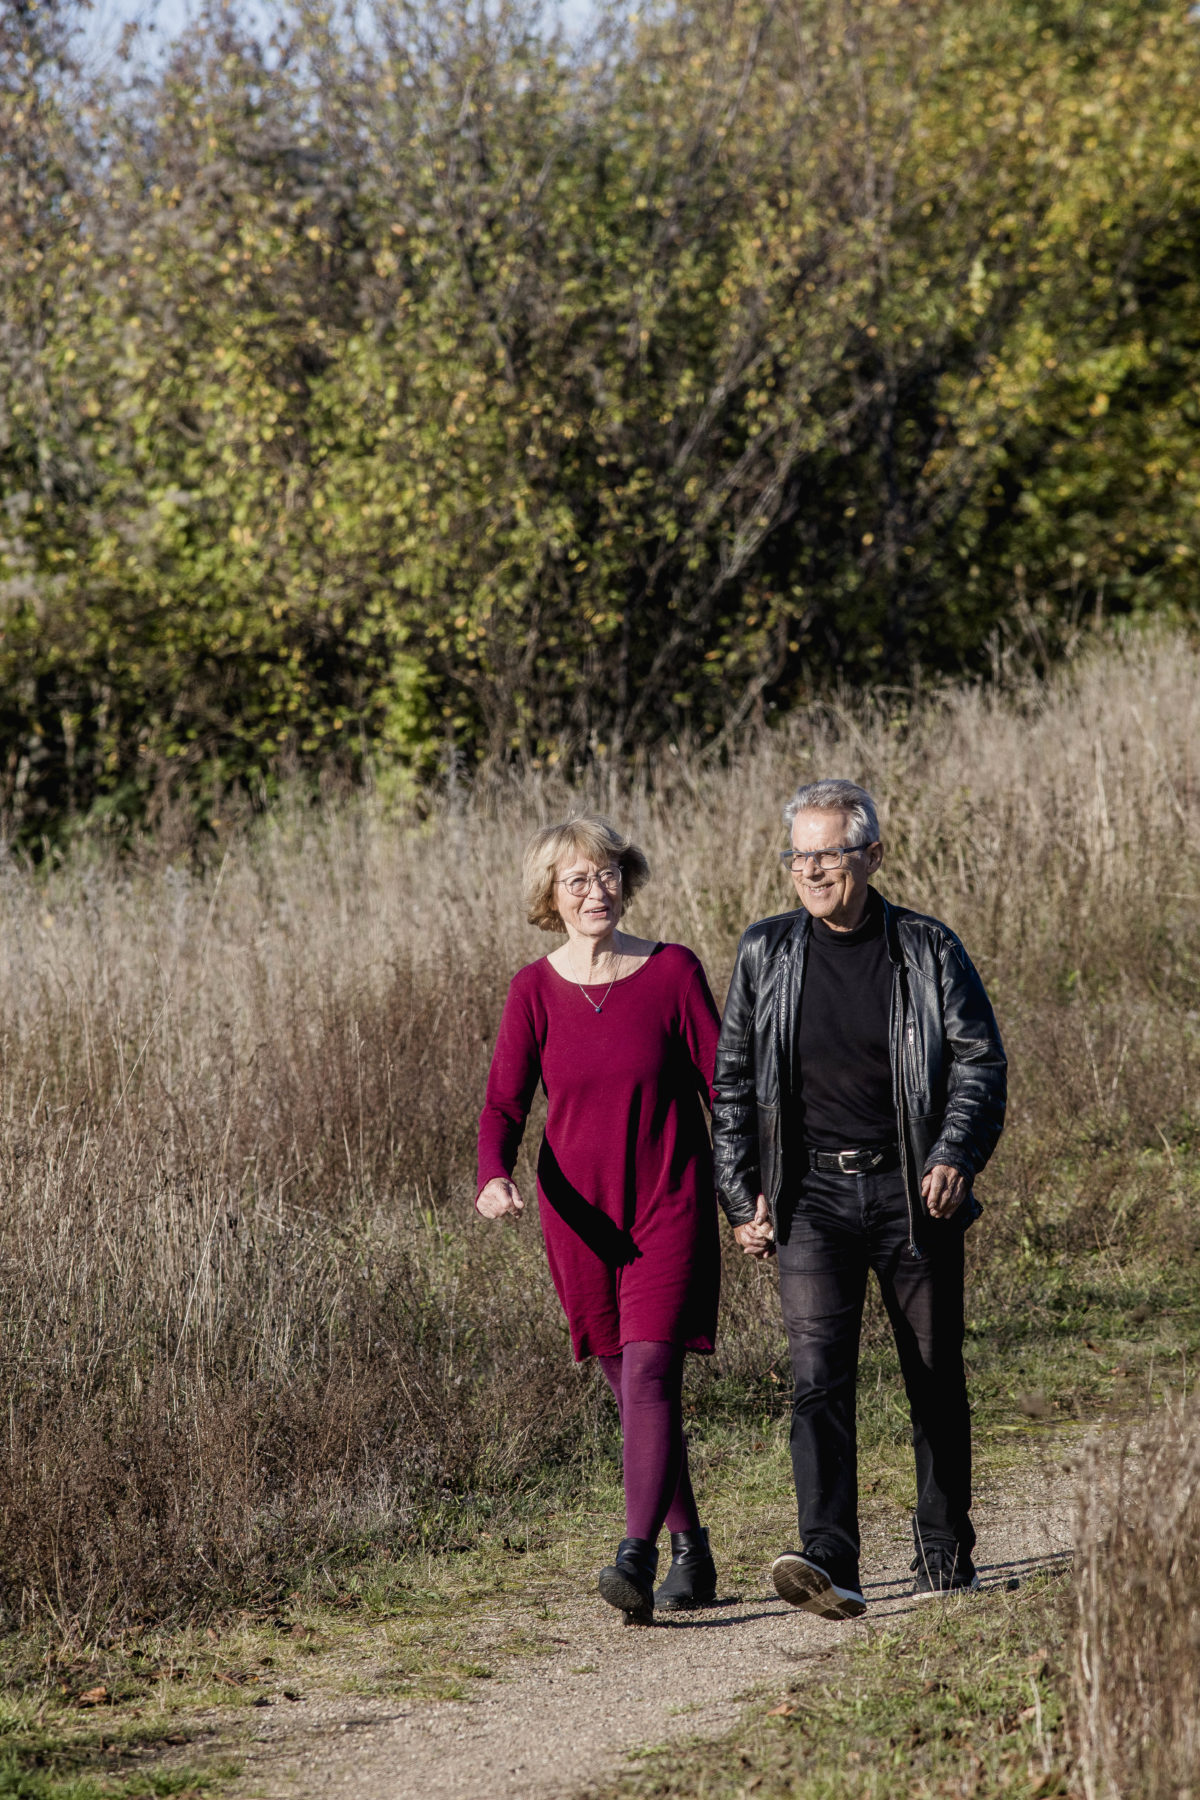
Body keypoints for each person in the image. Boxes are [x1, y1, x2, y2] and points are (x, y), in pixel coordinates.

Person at [713, 779, 1006, 1619]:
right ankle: (829, 1559)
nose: (810, 870)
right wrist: (743, 1198)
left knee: (932, 1373)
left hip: (913, 1195)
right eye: (798, 854)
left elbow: (980, 1064)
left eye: (828, 854)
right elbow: (732, 1087)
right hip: (809, 1198)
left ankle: (945, 1548)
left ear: (871, 856)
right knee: (815, 1379)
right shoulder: (764, 953)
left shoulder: (927, 947)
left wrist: (954, 1154)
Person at [476, 815, 723, 1623]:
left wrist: (749, 1186)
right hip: (578, 1218)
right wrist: (492, 1177)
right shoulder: (532, 991)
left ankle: (636, 1556)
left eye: (610, 873)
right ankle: (691, 1546)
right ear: (551, 895)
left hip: (668, 1201)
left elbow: (724, 1088)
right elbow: (505, 1105)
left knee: (652, 1374)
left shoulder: (672, 972)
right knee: (632, 1391)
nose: (598, 890)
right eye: (577, 879)